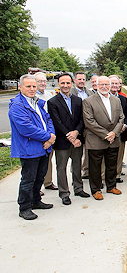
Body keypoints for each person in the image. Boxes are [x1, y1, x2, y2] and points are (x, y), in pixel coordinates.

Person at [9, 74, 55, 220]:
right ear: (20, 87)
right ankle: (24, 207)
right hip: (29, 149)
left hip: (43, 147)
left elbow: (48, 120)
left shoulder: (37, 102)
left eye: (34, 86)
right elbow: (26, 128)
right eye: (28, 86)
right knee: (28, 179)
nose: (32, 89)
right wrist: (48, 137)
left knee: (39, 176)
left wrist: (51, 136)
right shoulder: (18, 106)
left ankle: (36, 201)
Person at [47, 73, 90, 205]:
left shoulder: (78, 100)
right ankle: (64, 193)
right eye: (62, 83)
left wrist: (77, 132)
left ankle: (78, 188)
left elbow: (82, 119)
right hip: (62, 141)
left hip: (77, 140)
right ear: (58, 84)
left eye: (67, 83)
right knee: (61, 168)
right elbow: (57, 122)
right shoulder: (52, 102)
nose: (65, 85)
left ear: (71, 83)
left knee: (77, 166)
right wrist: (70, 137)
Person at [83, 76, 124, 200]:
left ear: (110, 85)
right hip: (96, 139)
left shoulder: (116, 100)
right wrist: (106, 134)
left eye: (107, 84)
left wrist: (114, 133)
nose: (104, 87)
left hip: (113, 139)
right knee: (95, 167)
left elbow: (121, 118)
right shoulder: (88, 101)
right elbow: (89, 121)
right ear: (96, 85)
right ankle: (96, 190)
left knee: (112, 164)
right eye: (101, 84)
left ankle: (111, 186)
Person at [34, 72, 57, 192]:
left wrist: (51, 135)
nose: (43, 83)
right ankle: (36, 189)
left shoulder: (49, 94)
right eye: (39, 81)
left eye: (44, 81)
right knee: (37, 161)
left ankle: (48, 182)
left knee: (48, 159)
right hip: (38, 134)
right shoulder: (32, 97)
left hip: (50, 132)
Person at [109, 75, 127, 183]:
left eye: (116, 84)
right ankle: (106, 177)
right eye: (112, 83)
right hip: (108, 133)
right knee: (107, 157)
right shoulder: (104, 98)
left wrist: (125, 125)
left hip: (121, 132)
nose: (114, 86)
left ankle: (117, 176)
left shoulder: (123, 98)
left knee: (119, 155)